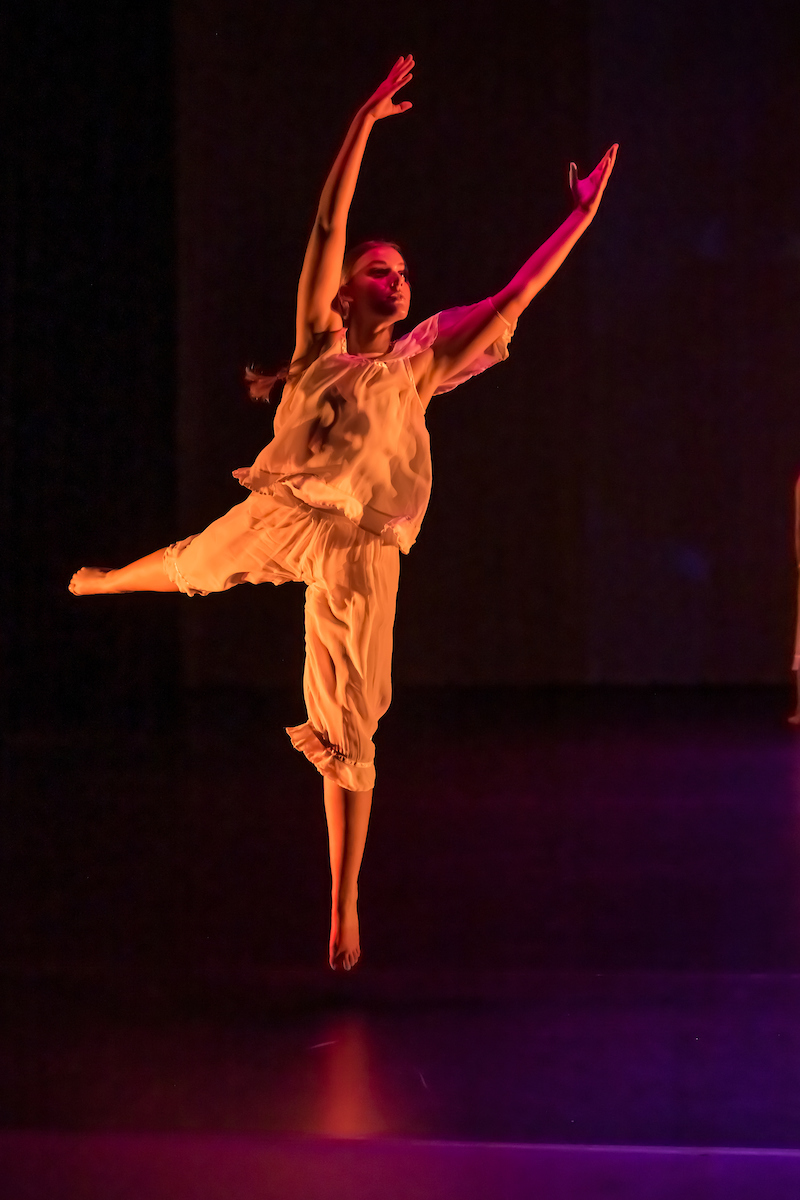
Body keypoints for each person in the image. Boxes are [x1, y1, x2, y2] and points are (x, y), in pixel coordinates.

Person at [69, 56, 617, 970]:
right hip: (289, 512)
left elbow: (516, 298)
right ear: (344, 292)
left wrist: (580, 216)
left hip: (364, 548)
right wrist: (361, 122)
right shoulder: (317, 345)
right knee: (201, 563)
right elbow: (328, 223)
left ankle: (343, 901)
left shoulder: (424, 360)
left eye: (401, 271)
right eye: (377, 269)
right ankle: (112, 580)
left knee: (350, 723)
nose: (393, 279)